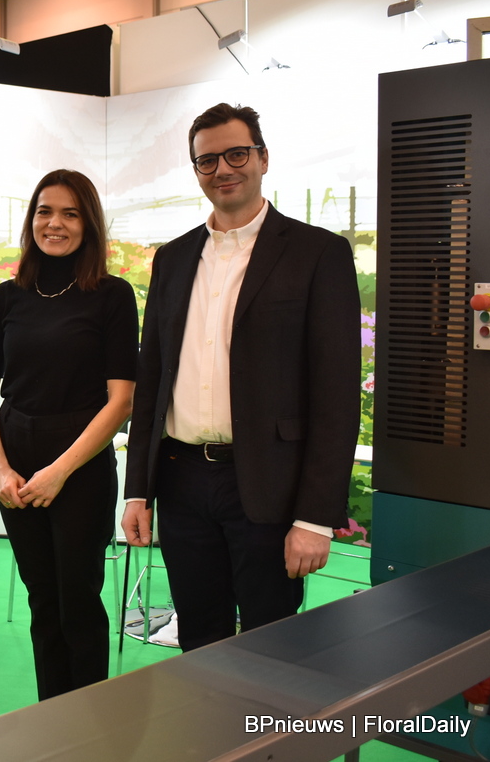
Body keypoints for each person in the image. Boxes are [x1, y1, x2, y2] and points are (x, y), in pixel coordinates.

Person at [122, 102, 360, 652]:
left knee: (270, 644)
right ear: (196, 170)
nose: (223, 169)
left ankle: (267, 715)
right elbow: (151, 379)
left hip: (268, 484)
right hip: (182, 481)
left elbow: (336, 395)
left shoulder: (317, 253)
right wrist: (138, 491)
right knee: (198, 640)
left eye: (236, 154)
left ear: (263, 158)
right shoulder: (173, 259)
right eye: (207, 160)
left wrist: (315, 519)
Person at [0, 169, 137, 699]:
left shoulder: (111, 296)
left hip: (80, 464)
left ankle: (88, 728)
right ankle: (51, 721)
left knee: (78, 602)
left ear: (88, 223)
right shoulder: (8, 296)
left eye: (70, 213)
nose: (55, 223)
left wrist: (59, 471)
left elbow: (121, 401)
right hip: (17, 462)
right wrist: (1, 469)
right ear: (31, 220)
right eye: (45, 211)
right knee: (42, 600)